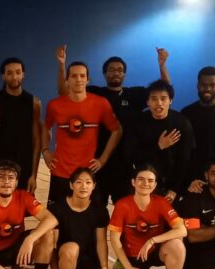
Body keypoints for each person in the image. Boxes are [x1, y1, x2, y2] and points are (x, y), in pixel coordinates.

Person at [55, 46, 172, 204]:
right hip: (97, 161)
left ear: (124, 74)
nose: (116, 73)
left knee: (126, 207)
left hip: (126, 163)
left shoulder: (134, 94)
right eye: (111, 70)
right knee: (95, 207)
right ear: (105, 74)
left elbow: (165, 89)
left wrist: (162, 65)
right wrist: (62, 64)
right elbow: (64, 92)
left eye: (120, 70)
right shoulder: (94, 93)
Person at [42, 61, 121, 206]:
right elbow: (46, 127)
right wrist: (45, 150)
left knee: (89, 218)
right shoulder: (54, 105)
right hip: (60, 172)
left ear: (87, 79)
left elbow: (116, 130)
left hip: (88, 174)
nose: (78, 79)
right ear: (67, 79)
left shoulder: (100, 103)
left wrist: (102, 160)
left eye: (82, 76)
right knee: (55, 218)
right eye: (74, 76)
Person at [108, 166, 187, 269]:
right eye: (141, 179)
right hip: (134, 257)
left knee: (177, 245)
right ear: (133, 182)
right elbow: (114, 240)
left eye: (150, 181)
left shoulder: (161, 203)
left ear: (155, 185)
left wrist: (152, 240)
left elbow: (182, 230)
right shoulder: (122, 205)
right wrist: (129, 268)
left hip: (156, 252)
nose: (146, 184)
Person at [49, 167, 113, 269]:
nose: (84, 186)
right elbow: (51, 246)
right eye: (79, 182)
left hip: (88, 262)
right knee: (72, 248)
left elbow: (101, 242)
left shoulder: (99, 210)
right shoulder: (57, 208)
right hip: (66, 259)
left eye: (88, 182)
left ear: (94, 186)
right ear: (71, 185)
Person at [123, 79, 194, 200]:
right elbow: (130, 155)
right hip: (143, 182)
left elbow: (184, 160)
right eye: (154, 99)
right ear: (148, 102)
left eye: (163, 98)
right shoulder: (138, 122)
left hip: (171, 183)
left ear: (170, 100)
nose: (159, 103)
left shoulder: (182, 123)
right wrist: (159, 146)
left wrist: (174, 189)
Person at [0, 58, 43, 193]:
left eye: (18, 72)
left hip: (24, 171)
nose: (14, 77)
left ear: (23, 74)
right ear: (3, 76)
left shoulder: (34, 103)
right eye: (9, 73)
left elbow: (37, 141)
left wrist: (34, 175)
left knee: (21, 207)